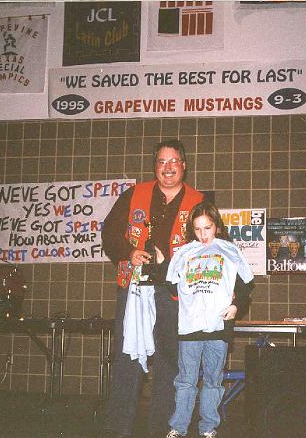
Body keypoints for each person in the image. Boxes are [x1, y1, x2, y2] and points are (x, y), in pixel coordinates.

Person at [101, 139, 204, 438]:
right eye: (161, 161)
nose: (167, 167)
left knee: (169, 361)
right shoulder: (135, 194)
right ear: (154, 166)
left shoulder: (199, 201)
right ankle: (116, 430)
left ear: (184, 166)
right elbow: (109, 232)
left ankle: (163, 430)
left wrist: (171, 262)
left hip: (173, 294)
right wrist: (127, 251)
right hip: (133, 288)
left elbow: (206, 248)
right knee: (126, 358)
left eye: (174, 161)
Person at [163, 202, 255, 438]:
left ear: (217, 226)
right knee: (185, 381)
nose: (203, 234)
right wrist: (164, 262)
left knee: (214, 381)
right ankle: (178, 428)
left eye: (207, 228)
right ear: (191, 229)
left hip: (218, 327)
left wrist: (236, 306)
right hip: (190, 328)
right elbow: (171, 286)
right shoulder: (184, 253)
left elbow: (246, 287)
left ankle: (208, 428)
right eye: (197, 229)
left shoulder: (229, 250)